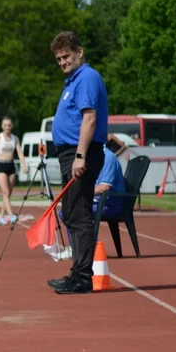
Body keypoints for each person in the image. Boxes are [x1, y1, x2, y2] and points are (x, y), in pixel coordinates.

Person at [45, 31, 108, 295]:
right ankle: (77, 273)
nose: (62, 62)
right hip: (70, 154)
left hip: (80, 153)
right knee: (71, 212)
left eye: (66, 56)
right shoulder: (73, 80)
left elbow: (90, 119)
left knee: (79, 214)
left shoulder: (87, 78)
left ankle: (82, 277)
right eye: (58, 58)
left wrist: (80, 156)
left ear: (79, 52)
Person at [0, 117, 29, 223]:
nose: (7, 127)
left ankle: (1, 217)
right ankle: (12, 215)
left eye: (9, 125)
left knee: (7, 194)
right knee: (5, 191)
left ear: (11, 126)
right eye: (5, 125)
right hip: (1, 166)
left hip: (11, 166)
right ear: (2, 126)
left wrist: (24, 165)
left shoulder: (15, 138)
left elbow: (20, 152)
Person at [91, 144, 126, 220]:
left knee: (73, 211)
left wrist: (84, 194)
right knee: (66, 212)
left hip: (111, 204)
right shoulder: (95, 157)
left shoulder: (108, 157)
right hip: (100, 200)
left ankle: (83, 232)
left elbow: (105, 186)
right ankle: (82, 232)